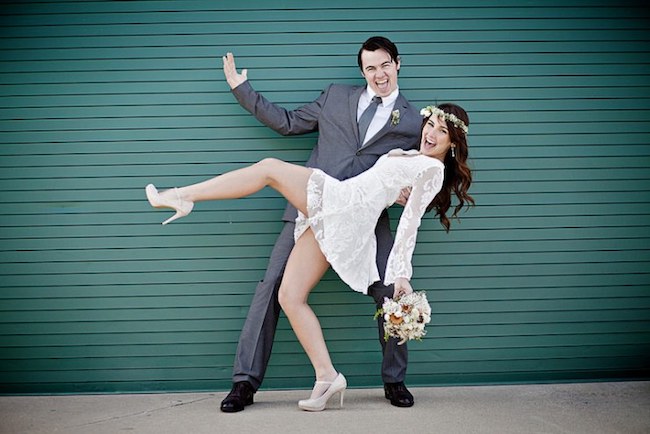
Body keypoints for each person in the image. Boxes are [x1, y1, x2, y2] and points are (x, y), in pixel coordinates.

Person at [145, 103, 475, 411]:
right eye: (429, 124)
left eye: (442, 131)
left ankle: (181, 197)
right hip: (341, 205)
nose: (431, 133)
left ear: (453, 143)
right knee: (290, 296)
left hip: (346, 208)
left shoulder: (432, 170)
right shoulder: (409, 154)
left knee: (270, 169)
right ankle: (327, 376)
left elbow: (411, 223)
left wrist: (401, 272)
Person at [217, 36, 425, 412]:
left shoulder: (414, 121)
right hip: (312, 208)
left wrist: (404, 190)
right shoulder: (334, 97)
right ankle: (244, 383)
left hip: (366, 217)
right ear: (362, 72)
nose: (379, 74)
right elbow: (287, 123)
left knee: (392, 290)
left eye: (385, 65)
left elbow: (422, 167)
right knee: (273, 287)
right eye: (370, 68)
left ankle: (394, 380)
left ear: (398, 63)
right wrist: (241, 89)